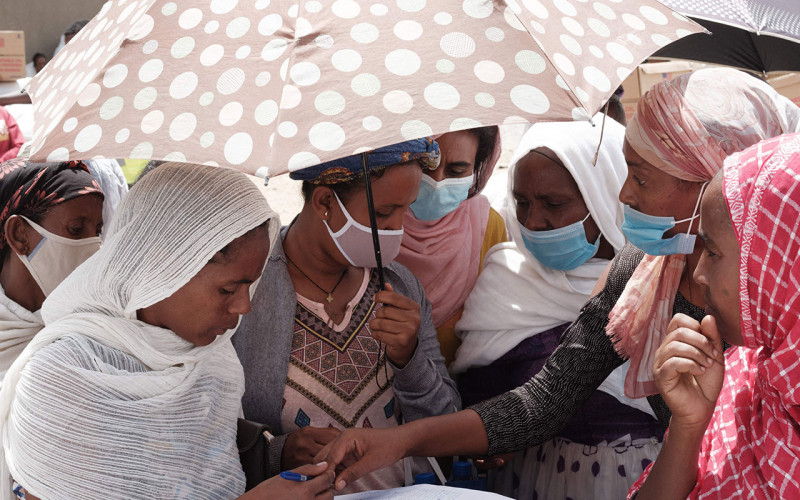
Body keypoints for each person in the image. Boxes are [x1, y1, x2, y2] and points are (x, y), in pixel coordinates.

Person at [314, 67, 800, 492]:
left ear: (712, 183)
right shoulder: (643, 269)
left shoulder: (780, 301)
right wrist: (401, 441)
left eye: (641, 177)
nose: (624, 196)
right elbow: (547, 400)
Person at [0, 162, 335, 500]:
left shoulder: (211, 359)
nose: (243, 307)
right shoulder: (60, 380)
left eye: (250, 285)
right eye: (228, 289)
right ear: (164, 267)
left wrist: (277, 455)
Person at [452, 115, 663, 498]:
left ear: (604, 197)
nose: (534, 221)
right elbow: (476, 394)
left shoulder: (663, 278)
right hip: (535, 480)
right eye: (521, 203)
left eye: (554, 203)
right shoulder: (504, 278)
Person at [233, 139, 460, 493]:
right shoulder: (245, 293)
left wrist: (410, 358)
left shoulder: (401, 287)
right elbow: (213, 436)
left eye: (406, 210)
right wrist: (276, 453)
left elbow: (447, 425)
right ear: (325, 202)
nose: (397, 228)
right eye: (384, 213)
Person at [630, 132, 800, 499]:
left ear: (780, 262)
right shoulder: (747, 373)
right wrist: (689, 426)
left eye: (713, 253)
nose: (699, 274)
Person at [396, 127, 506, 364]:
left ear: (477, 169)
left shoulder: (488, 227)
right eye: (425, 166)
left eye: (456, 171)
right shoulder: (372, 224)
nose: (437, 182)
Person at [0, 159, 103, 381]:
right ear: (19, 235)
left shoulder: (94, 334)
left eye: (98, 232)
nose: (95, 248)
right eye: (76, 229)